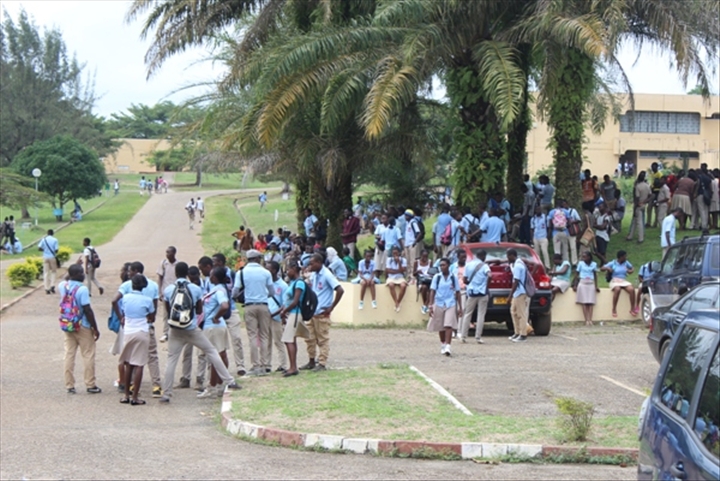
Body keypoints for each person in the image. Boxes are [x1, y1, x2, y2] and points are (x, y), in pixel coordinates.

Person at [159, 262, 242, 403]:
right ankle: (229, 380)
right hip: (191, 328)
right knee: (211, 351)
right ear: (187, 273)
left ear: (175, 274)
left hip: (175, 329)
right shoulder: (195, 289)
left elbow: (168, 310)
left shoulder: (168, 290)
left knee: (172, 360)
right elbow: (198, 310)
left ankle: (166, 394)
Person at [112, 261, 163, 398]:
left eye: (129, 271)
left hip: (129, 327)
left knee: (130, 360)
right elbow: (155, 306)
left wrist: (121, 317)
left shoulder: (126, 286)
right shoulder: (152, 285)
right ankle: (156, 385)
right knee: (152, 356)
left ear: (134, 271)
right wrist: (150, 319)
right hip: (145, 326)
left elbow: (114, 300)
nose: (128, 273)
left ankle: (132, 385)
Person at [59, 264, 101, 394]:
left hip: (68, 324)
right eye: (81, 273)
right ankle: (90, 384)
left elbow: (66, 277)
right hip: (83, 325)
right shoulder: (82, 289)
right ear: (76, 275)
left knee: (69, 354)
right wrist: (95, 327)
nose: (83, 275)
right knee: (88, 354)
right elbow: (87, 309)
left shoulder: (63, 286)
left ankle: (69, 385)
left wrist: (71, 271)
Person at [300, 253, 344, 372]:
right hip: (312, 313)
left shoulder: (327, 275)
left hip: (322, 314)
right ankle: (311, 360)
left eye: (312, 263)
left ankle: (322, 363)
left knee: (322, 339)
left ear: (319, 262)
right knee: (310, 338)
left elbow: (340, 290)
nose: (310, 265)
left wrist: (331, 307)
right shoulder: (315, 275)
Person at [234, 250, 275, 377]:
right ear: (257, 259)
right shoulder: (266, 272)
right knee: (264, 335)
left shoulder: (241, 273)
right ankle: (265, 364)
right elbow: (272, 292)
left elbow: (235, 293)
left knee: (252, 336)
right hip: (263, 305)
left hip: (249, 305)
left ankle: (255, 365)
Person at [118, 274, 155, 405]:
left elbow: (122, 310)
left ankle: (126, 395)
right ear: (144, 286)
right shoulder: (147, 300)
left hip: (128, 331)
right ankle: (135, 397)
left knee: (128, 363)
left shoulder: (125, 298)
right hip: (142, 331)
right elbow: (152, 316)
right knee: (139, 364)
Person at [196, 267, 232, 398]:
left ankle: (214, 385)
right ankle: (218, 385)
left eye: (211, 275)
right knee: (220, 355)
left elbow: (224, 306)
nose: (209, 277)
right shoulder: (217, 289)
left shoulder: (219, 291)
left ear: (215, 278)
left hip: (214, 327)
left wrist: (216, 316)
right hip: (214, 326)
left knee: (216, 356)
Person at [278, 261, 310, 377]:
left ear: (294, 269)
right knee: (290, 339)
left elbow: (295, 301)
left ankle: (293, 367)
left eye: (288, 269)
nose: (287, 272)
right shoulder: (293, 283)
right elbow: (287, 301)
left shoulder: (299, 283)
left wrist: (284, 311)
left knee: (288, 339)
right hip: (291, 313)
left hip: (295, 313)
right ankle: (293, 366)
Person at [427, 257, 462, 356]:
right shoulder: (437, 277)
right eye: (441, 265)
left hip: (450, 303)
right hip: (439, 302)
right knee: (441, 326)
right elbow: (432, 291)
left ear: (448, 266)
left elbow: (458, 292)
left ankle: (448, 346)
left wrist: (460, 307)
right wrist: (430, 305)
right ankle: (443, 343)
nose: (442, 267)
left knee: (448, 325)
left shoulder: (453, 277)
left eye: (444, 265)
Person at [459, 249, 491, 344]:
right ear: (483, 256)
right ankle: (478, 337)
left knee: (468, 313)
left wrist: (470, 284)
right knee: (481, 315)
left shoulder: (468, 265)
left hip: (472, 293)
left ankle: (463, 336)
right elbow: (490, 275)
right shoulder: (485, 266)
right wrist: (485, 285)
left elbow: (464, 280)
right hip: (482, 293)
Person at [266, 261, 288, 374]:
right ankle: (266, 364)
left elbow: (285, 304)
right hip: (266, 315)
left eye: (268, 268)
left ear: (274, 270)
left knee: (278, 341)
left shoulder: (282, 285)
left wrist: (274, 314)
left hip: (276, 317)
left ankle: (283, 364)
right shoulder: (266, 284)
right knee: (266, 342)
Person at [602, 250, 638, 317]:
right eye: (624, 256)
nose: (626, 258)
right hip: (615, 280)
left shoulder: (626, 263)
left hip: (623, 280)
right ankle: (614, 309)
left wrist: (630, 271)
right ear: (620, 257)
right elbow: (602, 268)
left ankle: (632, 308)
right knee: (617, 289)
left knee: (631, 289)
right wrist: (608, 269)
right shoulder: (613, 263)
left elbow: (632, 268)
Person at [506, 249, 529, 343]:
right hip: (517, 293)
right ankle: (517, 332)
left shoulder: (518, 266)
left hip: (520, 292)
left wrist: (510, 296)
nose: (507, 258)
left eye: (508, 256)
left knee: (521, 314)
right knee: (513, 312)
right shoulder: (517, 264)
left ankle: (523, 334)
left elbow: (516, 282)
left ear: (512, 255)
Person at [156, 246, 178, 342]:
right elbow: (160, 278)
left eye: (169, 252)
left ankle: (175, 331)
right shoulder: (164, 263)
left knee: (176, 311)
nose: (167, 254)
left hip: (176, 292)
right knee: (166, 314)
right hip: (166, 292)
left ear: (174, 253)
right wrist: (160, 291)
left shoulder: (178, 264)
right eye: (166, 252)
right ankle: (166, 333)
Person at [572, 251, 599, 326]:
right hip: (582, 282)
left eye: (585, 257)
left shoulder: (594, 264)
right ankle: (586, 319)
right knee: (584, 302)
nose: (583, 258)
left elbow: (595, 275)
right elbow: (576, 274)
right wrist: (575, 284)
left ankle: (590, 319)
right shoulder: (580, 264)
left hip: (590, 283)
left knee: (590, 302)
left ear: (589, 257)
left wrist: (596, 286)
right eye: (583, 257)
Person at [626, 171, 652, 243]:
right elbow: (650, 195)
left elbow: (637, 198)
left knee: (639, 222)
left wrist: (635, 208)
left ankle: (640, 238)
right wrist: (645, 201)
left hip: (638, 205)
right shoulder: (647, 185)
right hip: (644, 204)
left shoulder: (638, 186)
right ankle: (630, 236)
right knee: (635, 221)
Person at [385, 246, 408, 312]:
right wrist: (398, 271)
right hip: (391, 278)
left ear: (399, 253)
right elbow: (388, 270)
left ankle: (397, 303)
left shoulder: (403, 260)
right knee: (391, 285)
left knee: (403, 286)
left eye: (396, 253)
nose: (395, 255)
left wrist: (399, 262)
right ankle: (397, 303)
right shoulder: (389, 259)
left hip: (400, 278)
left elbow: (403, 270)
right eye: (393, 253)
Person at [38, 229, 59, 295]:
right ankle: (52, 285)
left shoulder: (43, 239)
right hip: (52, 257)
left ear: (47, 233)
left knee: (46, 273)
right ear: (53, 233)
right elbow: (56, 250)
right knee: (53, 271)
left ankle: (46, 288)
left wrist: (45, 250)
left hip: (45, 257)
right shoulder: (55, 240)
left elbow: (39, 248)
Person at [414, 249, 432, 314]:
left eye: (426, 257)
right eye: (423, 256)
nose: (425, 258)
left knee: (432, 289)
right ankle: (425, 304)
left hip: (429, 280)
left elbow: (432, 271)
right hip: (420, 280)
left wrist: (430, 274)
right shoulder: (416, 262)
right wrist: (418, 271)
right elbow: (414, 274)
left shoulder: (430, 262)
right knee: (424, 287)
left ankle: (425, 306)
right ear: (420, 256)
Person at [646, 162, 663, 227]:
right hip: (652, 192)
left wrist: (656, 186)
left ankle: (655, 223)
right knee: (649, 207)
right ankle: (648, 222)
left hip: (657, 192)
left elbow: (661, 182)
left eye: (654, 167)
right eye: (652, 167)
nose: (653, 168)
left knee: (656, 208)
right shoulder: (652, 174)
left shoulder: (659, 174)